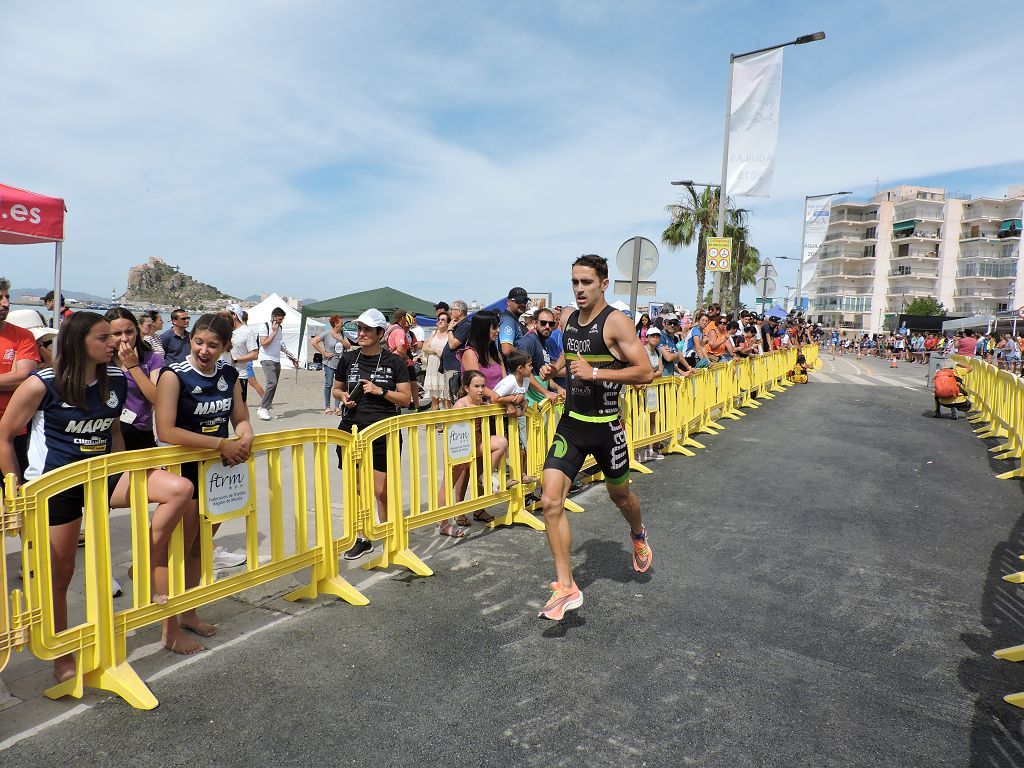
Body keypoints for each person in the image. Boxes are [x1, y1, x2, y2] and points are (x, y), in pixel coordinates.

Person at [0, 312, 199, 680]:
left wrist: (123, 468)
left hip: (102, 475)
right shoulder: (41, 384)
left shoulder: (118, 380)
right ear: (78, 342)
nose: (116, 343)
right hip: (55, 485)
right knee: (60, 575)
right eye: (105, 337)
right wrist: (16, 493)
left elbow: (114, 432)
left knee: (180, 489)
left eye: (116, 336)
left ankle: (144, 562)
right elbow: (5, 434)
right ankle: (61, 655)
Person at [536, 254, 656, 621]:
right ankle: (566, 585)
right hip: (572, 423)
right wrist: (553, 367)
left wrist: (596, 373)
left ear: (603, 283)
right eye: (574, 282)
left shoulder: (616, 323)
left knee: (620, 496)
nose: (579, 289)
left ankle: (637, 533)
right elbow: (571, 357)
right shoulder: (568, 319)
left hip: (606, 428)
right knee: (550, 500)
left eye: (586, 282)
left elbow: (646, 372)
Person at [156, 313, 254, 636]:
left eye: (213, 345)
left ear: (226, 346)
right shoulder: (174, 375)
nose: (204, 350)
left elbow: (239, 416)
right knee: (179, 551)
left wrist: (246, 434)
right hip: (182, 473)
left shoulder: (229, 373)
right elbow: (166, 430)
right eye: (198, 341)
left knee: (200, 547)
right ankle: (169, 628)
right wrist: (220, 444)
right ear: (190, 339)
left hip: (216, 473)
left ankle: (189, 612)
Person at [333, 309, 412, 560]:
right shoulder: (348, 359)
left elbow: (406, 399)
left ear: (380, 333)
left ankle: (389, 534)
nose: (362, 334)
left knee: (381, 490)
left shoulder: (395, 362)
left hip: (383, 430)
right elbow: (336, 389)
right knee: (357, 488)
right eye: (360, 329)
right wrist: (344, 397)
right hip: (352, 429)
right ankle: (362, 537)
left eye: (368, 330)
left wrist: (380, 391)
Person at [439, 370, 513, 535]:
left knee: (501, 442)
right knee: (447, 487)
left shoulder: (481, 403)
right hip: (458, 451)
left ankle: (485, 476)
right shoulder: (461, 405)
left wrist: (513, 403)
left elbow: (499, 402)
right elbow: (451, 431)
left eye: (482, 386)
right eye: (476, 386)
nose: (480, 390)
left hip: (476, 446)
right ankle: (443, 524)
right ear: (466, 388)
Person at [104, 308, 164, 451]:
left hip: (140, 433)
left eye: (129, 332)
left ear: (137, 332)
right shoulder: (102, 361)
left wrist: (133, 367)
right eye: (117, 334)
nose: (124, 339)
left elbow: (158, 399)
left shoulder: (152, 359)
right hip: (106, 434)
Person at [515, 307, 564, 406]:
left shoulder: (543, 341)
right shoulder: (529, 341)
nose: (547, 326)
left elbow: (542, 375)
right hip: (528, 405)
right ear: (534, 323)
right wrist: (546, 392)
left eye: (551, 324)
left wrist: (558, 388)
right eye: (543, 323)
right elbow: (524, 373)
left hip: (540, 404)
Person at [256, 307, 298, 421]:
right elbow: (264, 344)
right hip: (266, 359)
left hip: (276, 359)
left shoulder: (280, 328)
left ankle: (266, 409)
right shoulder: (264, 326)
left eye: (282, 320)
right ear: (273, 317)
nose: (280, 321)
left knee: (274, 385)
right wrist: (273, 332)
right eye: (279, 319)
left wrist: (290, 355)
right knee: (272, 383)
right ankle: (263, 408)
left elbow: (278, 345)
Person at [309, 315, 348, 415]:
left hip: (341, 364)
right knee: (328, 384)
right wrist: (324, 352)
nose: (342, 324)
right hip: (329, 363)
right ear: (335, 324)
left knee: (339, 386)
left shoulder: (342, 334)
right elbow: (313, 342)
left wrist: (340, 339)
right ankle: (327, 407)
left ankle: (337, 407)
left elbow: (348, 346)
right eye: (341, 322)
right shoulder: (327, 333)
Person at [460, 310, 505, 390]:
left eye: (499, 326)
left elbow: (505, 380)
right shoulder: (470, 353)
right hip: (480, 401)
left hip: (499, 399)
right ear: (482, 329)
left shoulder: (495, 352)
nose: (498, 330)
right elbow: (477, 385)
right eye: (494, 327)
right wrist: (499, 398)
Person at [422, 312, 452, 421]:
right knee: (434, 396)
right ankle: (433, 420)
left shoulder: (450, 334)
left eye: (443, 319)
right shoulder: (434, 333)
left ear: (448, 323)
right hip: (432, 366)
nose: (440, 321)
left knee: (446, 396)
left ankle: (446, 421)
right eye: (439, 319)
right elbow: (425, 347)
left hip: (443, 367)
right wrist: (434, 350)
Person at [227, 304, 259, 404]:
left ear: (234, 315)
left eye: (226, 315)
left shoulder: (247, 331)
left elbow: (254, 354)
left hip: (239, 375)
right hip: (222, 375)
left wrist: (235, 360)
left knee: (240, 408)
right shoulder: (224, 331)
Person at [443, 300, 471, 402]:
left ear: (459, 312)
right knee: (449, 397)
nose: (450, 312)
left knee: (456, 397)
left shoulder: (466, 325)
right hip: (449, 367)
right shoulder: (458, 325)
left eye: (452, 309)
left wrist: (449, 329)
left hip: (456, 368)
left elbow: (452, 344)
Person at [499, 287, 529, 358]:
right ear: (509, 302)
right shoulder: (508, 320)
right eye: (518, 301)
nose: (522, 304)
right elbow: (507, 349)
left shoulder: (513, 320)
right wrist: (526, 357)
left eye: (525, 301)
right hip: (509, 367)